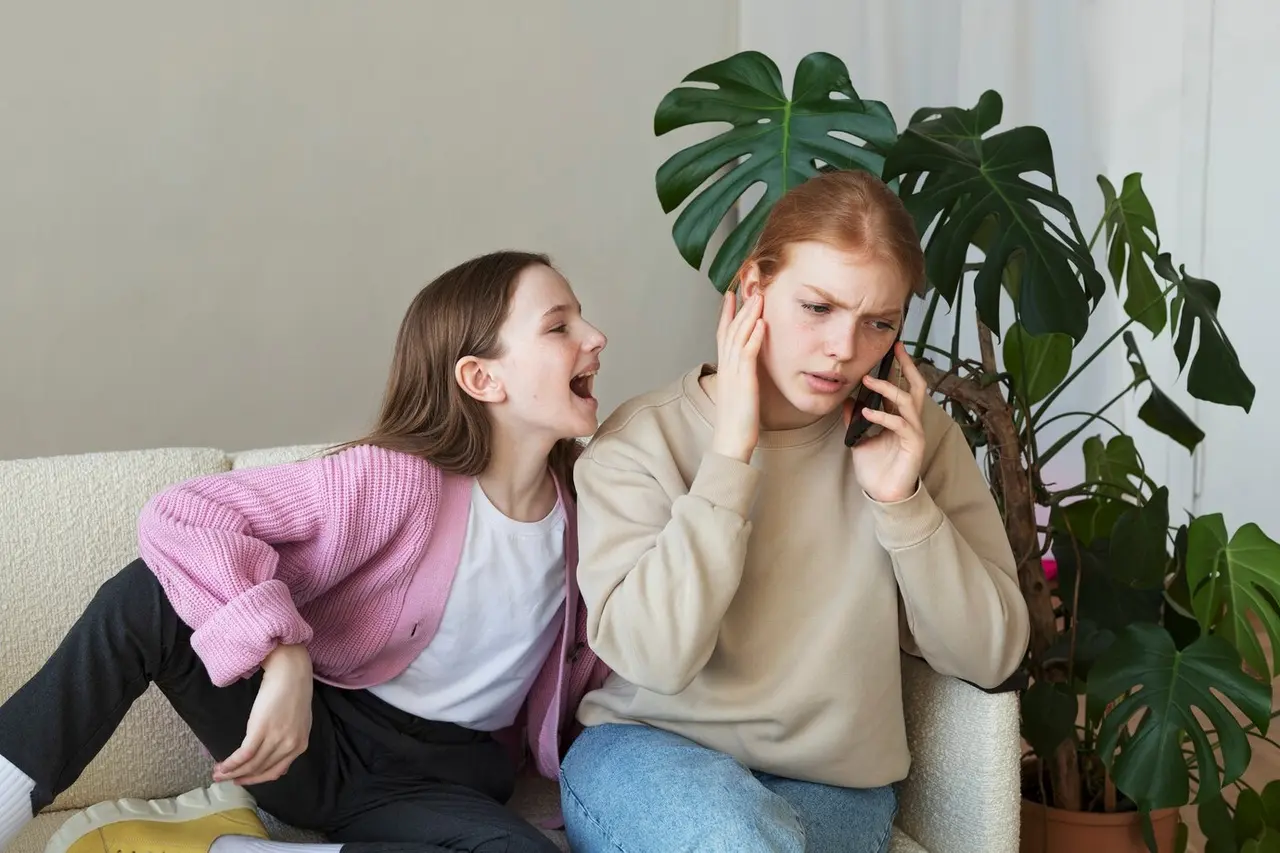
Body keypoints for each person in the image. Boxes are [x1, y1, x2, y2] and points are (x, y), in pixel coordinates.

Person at [0, 250, 612, 853]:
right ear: (483, 378)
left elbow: (614, 655)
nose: (595, 337)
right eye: (559, 326)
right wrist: (283, 654)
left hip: (439, 784)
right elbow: (184, 515)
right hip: (305, 743)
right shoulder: (394, 481)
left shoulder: (596, 509)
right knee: (148, 594)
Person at [559, 170, 1030, 853]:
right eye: (818, 307)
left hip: (831, 785)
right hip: (645, 757)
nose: (844, 348)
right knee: (733, 838)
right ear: (753, 291)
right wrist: (730, 457)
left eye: (879, 323)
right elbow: (656, 659)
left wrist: (902, 504)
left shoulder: (910, 438)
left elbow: (991, 656)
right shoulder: (642, 439)